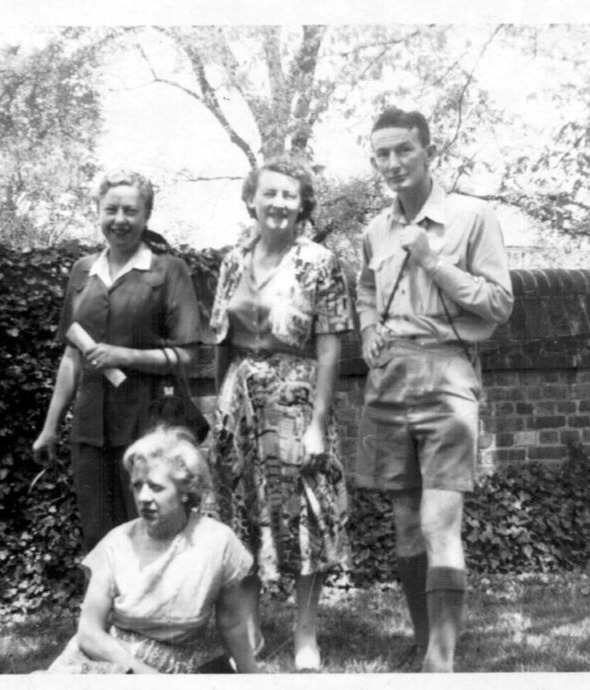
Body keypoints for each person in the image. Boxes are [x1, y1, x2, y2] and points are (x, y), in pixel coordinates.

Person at [353, 108, 514, 672]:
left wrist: (436, 264)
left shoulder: (472, 216)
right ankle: (424, 642)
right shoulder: (375, 228)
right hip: (391, 378)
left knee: (437, 521)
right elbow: (366, 288)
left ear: (428, 151)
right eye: (382, 154)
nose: (393, 164)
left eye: (404, 151)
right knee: (403, 523)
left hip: (448, 373)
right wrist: (370, 328)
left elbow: (499, 304)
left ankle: (440, 662)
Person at [208, 158, 353, 671]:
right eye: (269, 194)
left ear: (302, 205)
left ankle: (305, 634)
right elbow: (221, 344)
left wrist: (318, 423)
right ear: (252, 200)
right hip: (240, 402)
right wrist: (216, 416)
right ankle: (248, 632)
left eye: (290, 196)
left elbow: (331, 350)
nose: (279, 204)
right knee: (241, 514)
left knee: (306, 516)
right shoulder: (231, 261)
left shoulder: (321, 262)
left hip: (297, 401)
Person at [32, 169, 201, 553]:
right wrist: (50, 427)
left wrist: (124, 355)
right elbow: (72, 356)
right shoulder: (81, 272)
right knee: (98, 535)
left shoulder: (168, 270)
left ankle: (162, 612)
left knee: (153, 527)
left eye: (131, 211)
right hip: (91, 428)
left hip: (150, 424)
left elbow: (187, 354)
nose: (120, 220)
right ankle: (108, 612)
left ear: (146, 217)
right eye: (111, 210)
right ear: (98, 212)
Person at [45, 426, 260, 673]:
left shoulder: (218, 542)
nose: (144, 497)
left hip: (178, 662)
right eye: (137, 486)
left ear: (185, 490)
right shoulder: (117, 543)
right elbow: (89, 633)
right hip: (111, 659)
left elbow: (231, 623)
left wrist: (252, 678)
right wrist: (143, 674)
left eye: (156, 487)